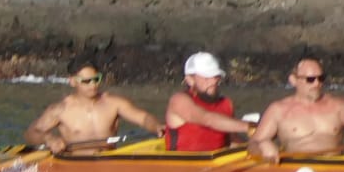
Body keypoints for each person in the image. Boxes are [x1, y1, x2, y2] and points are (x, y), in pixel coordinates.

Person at [24, 57, 162, 156]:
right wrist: (49, 139)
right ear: (72, 82)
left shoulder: (114, 103)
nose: (93, 85)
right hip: (76, 167)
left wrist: (156, 127)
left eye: (96, 79)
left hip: (109, 163)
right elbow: (32, 133)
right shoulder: (60, 110)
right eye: (86, 81)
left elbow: (144, 118)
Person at [247, 58, 344, 161]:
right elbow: (253, 144)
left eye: (321, 78)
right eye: (310, 79)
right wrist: (262, 148)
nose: (317, 84)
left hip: (331, 169)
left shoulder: (338, 105)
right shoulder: (278, 110)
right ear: (293, 80)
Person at [164, 51, 250, 153]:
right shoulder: (179, 100)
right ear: (190, 80)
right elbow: (207, 119)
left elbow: (233, 140)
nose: (213, 81)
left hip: (217, 161)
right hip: (182, 161)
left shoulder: (226, 104)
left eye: (216, 76)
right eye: (206, 77)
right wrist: (249, 127)